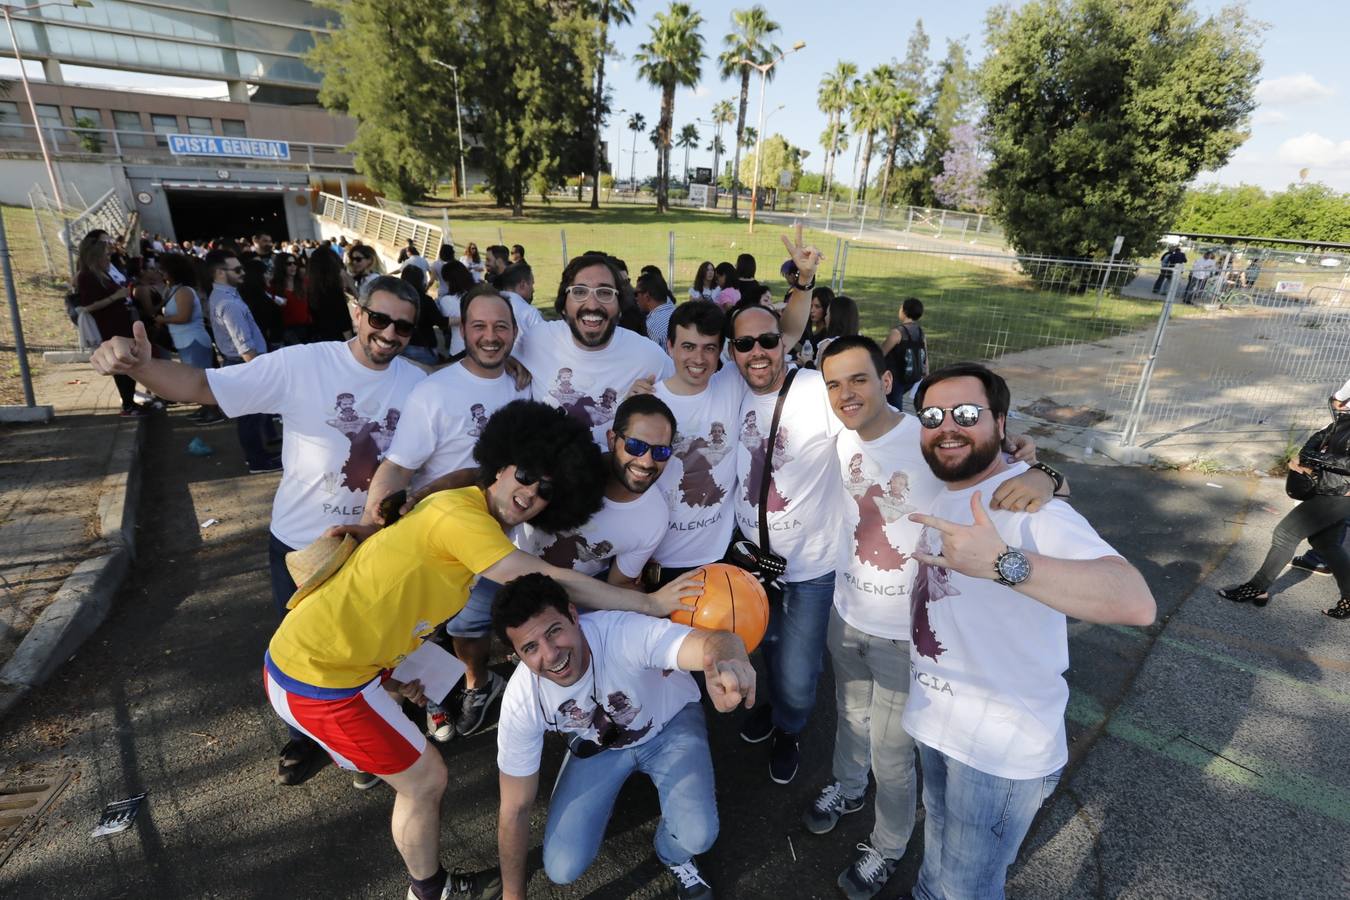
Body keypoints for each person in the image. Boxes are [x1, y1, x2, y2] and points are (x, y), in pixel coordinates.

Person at [265, 401, 700, 900]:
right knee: (425, 781)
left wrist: (391, 670)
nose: (532, 493)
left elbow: (393, 597)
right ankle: (429, 892)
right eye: (527, 475)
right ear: (501, 464)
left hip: (327, 665)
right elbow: (549, 578)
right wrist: (648, 601)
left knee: (417, 770)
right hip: (321, 681)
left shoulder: (464, 507)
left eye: (546, 491)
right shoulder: (460, 516)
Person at [89, 274, 429, 785]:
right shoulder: (304, 364)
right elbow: (204, 386)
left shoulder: (420, 384)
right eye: (379, 319)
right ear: (357, 313)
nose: (389, 333)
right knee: (303, 652)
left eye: (403, 326)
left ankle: (378, 738)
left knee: (382, 644)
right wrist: (142, 366)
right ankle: (308, 738)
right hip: (303, 545)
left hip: (379, 546)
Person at [808, 338, 1059, 899]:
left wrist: (1044, 472)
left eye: (859, 380)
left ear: (887, 381)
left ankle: (888, 845)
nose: (846, 394)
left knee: (892, 754)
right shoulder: (838, 434)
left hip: (906, 636)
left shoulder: (924, 442)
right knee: (849, 721)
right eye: (833, 384)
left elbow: (999, 470)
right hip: (847, 611)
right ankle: (846, 788)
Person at [904, 362, 1155, 900]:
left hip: (998, 750)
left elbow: (1135, 600)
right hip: (937, 722)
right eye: (933, 415)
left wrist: (1005, 563)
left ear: (998, 421)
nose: (948, 426)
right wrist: (1046, 468)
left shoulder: (1025, 509)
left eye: (967, 414)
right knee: (938, 855)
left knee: (968, 888)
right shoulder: (941, 483)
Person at [493, 572, 756, 900]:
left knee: (697, 836)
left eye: (554, 631)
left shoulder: (623, 633)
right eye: (530, 647)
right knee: (561, 868)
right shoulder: (522, 699)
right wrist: (513, 895)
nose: (551, 654)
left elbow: (711, 642)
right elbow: (514, 809)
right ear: (516, 655)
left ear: (574, 616)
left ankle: (671, 853)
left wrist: (731, 662)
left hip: (669, 724)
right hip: (600, 745)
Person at [362, 286, 529, 739]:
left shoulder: (529, 381)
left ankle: (478, 684)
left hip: (502, 546)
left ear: (515, 331)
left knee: (472, 626)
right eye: (479, 326)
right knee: (417, 630)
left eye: (501, 327)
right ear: (462, 329)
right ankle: (416, 707)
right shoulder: (433, 391)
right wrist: (365, 529)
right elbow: (398, 465)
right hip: (439, 548)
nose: (490, 337)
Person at [511, 253, 672, 447]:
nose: (593, 304)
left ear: (620, 307)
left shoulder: (650, 357)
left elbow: (688, 400)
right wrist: (507, 361)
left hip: (614, 475)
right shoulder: (535, 340)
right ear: (563, 306)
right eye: (579, 292)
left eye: (605, 293)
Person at [1220, 393, 1350, 619]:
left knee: (1285, 534)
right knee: (1326, 544)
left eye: (1345, 400)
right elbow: (1319, 438)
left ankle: (1256, 587)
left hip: (1340, 494)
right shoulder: (1343, 421)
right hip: (1329, 489)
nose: (1339, 403)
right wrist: (1303, 456)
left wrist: (1312, 460)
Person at [647, 301, 747, 585]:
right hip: (657, 563)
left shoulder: (731, 383)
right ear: (669, 346)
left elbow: (786, 334)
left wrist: (803, 280)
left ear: (721, 352)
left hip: (719, 558)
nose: (698, 358)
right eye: (688, 346)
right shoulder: (647, 403)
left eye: (709, 348)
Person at [204, 250, 280, 474]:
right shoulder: (229, 303)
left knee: (251, 416)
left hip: (238, 363)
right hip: (244, 364)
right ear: (220, 272)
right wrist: (261, 371)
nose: (243, 273)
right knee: (249, 417)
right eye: (237, 269)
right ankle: (257, 461)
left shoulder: (223, 297)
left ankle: (259, 456)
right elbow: (244, 345)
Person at [75, 233, 148, 417]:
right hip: (110, 326)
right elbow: (87, 306)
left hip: (122, 322)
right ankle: (128, 405)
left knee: (128, 363)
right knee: (122, 365)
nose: (109, 259)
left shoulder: (104, 273)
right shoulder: (86, 277)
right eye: (106, 256)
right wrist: (115, 297)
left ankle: (130, 402)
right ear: (95, 257)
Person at [154, 253, 223, 423]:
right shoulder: (175, 290)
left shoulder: (184, 291)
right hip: (186, 341)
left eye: (164, 272)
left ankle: (214, 411)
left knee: (201, 378)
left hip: (194, 340)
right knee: (195, 378)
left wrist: (162, 320)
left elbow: (183, 317)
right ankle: (205, 407)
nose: (162, 275)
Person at [880, 297, 927, 410]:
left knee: (894, 408)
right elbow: (925, 355)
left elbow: (881, 353)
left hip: (895, 378)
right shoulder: (921, 333)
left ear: (904, 311)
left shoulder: (897, 333)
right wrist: (926, 373)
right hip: (912, 376)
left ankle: (895, 424)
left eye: (901, 307)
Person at [399, 265, 446, 366]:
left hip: (401, 345)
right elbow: (440, 322)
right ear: (421, 280)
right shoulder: (426, 300)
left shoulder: (397, 298)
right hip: (424, 347)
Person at [436, 259, 479, 359]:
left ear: (448, 281)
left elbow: (444, 324)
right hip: (479, 349)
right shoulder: (480, 294)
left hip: (457, 350)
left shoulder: (446, 300)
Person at [311, 245, 354, 341]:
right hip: (339, 338)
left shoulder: (311, 287)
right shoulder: (333, 289)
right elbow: (343, 319)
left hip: (322, 337)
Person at [271, 252, 312, 345]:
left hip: (307, 328)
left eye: (295, 263)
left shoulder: (304, 282)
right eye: (289, 264)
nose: (293, 266)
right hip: (287, 330)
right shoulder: (273, 286)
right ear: (281, 266)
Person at [636, 270, 676, 349]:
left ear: (646, 296)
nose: (635, 298)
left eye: (636, 294)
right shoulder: (679, 313)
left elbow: (651, 358)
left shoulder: (652, 326)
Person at [794, 286, 831, 368]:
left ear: (826, 308)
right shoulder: (808, 327)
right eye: (810, 306)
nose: (812, 310)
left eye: (817, 307)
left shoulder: (827, 335)